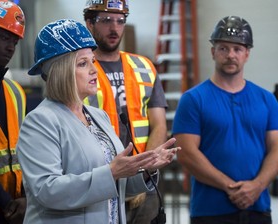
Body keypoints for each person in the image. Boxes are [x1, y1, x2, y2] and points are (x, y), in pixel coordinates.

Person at [16, 19, 180, 224]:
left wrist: (146, 169)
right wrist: (111, 173)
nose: (94, 70)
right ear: (61, 72)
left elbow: (116, 184)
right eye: (83, 64)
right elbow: (47, 190)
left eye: (92, 61)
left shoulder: (98, 116)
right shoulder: (40, 122)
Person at [172, 15, 278, 224]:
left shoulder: (266, 99)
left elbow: (277, 148)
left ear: (247, 53)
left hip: (258, 208)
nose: (231, 55)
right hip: (210, 212)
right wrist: (231, 188)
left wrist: (256, 186)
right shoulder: (193, 100)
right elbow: (187, 154)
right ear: (213, 51)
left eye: (237, 49)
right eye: (223, 48)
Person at [83, 1, 168, 223]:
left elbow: (159, 125)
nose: (114, 28)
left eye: (120, 21)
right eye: (106, 20)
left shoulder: (144, 67)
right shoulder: (79, 69)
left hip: (145, 183)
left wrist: (143, 173)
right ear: (89, 23)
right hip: (100, 182)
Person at [0, 1, 27, 223]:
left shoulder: (15, 92)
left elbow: (25, 151)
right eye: (4, 38)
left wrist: (26, 198)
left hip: (16, 209)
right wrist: (5, 202)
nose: (11, 47)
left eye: (14, 41)